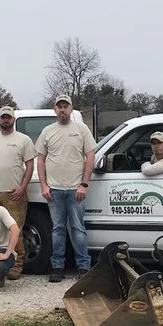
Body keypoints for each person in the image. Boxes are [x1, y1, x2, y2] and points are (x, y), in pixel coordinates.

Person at [35, 94, 97, 282]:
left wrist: (84, 184)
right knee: (58, 229)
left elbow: (90, 156)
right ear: (55, 109)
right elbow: (40, 160)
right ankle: (57, 267)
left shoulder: (81, 129)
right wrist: (44, 185)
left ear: (71, 108)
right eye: (59, 106)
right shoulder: (47, 131)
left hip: (75, 190)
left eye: (66, 106)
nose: (63, 110)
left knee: (78, 228)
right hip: (54, 190)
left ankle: (84, 267)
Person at [0, 105, 35, 280]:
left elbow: (30, 165)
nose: (6, 120)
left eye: (8, 117)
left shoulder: (23, 140)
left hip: (13, 194)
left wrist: (22, 187)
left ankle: (17, 265)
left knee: (14, 230)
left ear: (13, 119)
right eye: (3, 117)